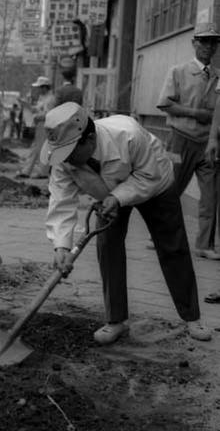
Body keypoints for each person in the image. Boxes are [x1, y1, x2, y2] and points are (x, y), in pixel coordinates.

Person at [42, 101, 211, 345]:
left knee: (173, 247)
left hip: (154, 185)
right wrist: (61, 247)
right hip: (106, 194)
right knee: (108, 247)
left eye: (69, 152)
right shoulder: (63, 159)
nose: (65, 159)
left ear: (89, 139)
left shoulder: (128, 134)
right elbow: (61, 201)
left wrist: (118, 197)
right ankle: (116, 320)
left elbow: (148, 176)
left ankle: (192, 316)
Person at [157, 22, 220, 260]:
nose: (208, 46)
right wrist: (195, 113)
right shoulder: (178, 71)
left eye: (213, 42)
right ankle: (162, 235)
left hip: (209, 143)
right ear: (194, 43)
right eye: (204, 41)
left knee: (210, 196)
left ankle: (205, 244)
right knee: (170, 189)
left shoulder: (218, 77)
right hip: (179, 140)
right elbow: (164, 103)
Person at [19, 76, 55, 178]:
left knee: (42, 149)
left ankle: (43, 172)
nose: (38, 89)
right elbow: (38, 109)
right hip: (40, 125)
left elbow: (49, 114)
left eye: (39, 87)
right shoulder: (43, 98)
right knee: (35, 148)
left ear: (44, 87)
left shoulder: (51, 99)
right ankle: (26, 171)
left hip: (45, 125)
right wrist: (28, 106)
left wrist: (37, 116)